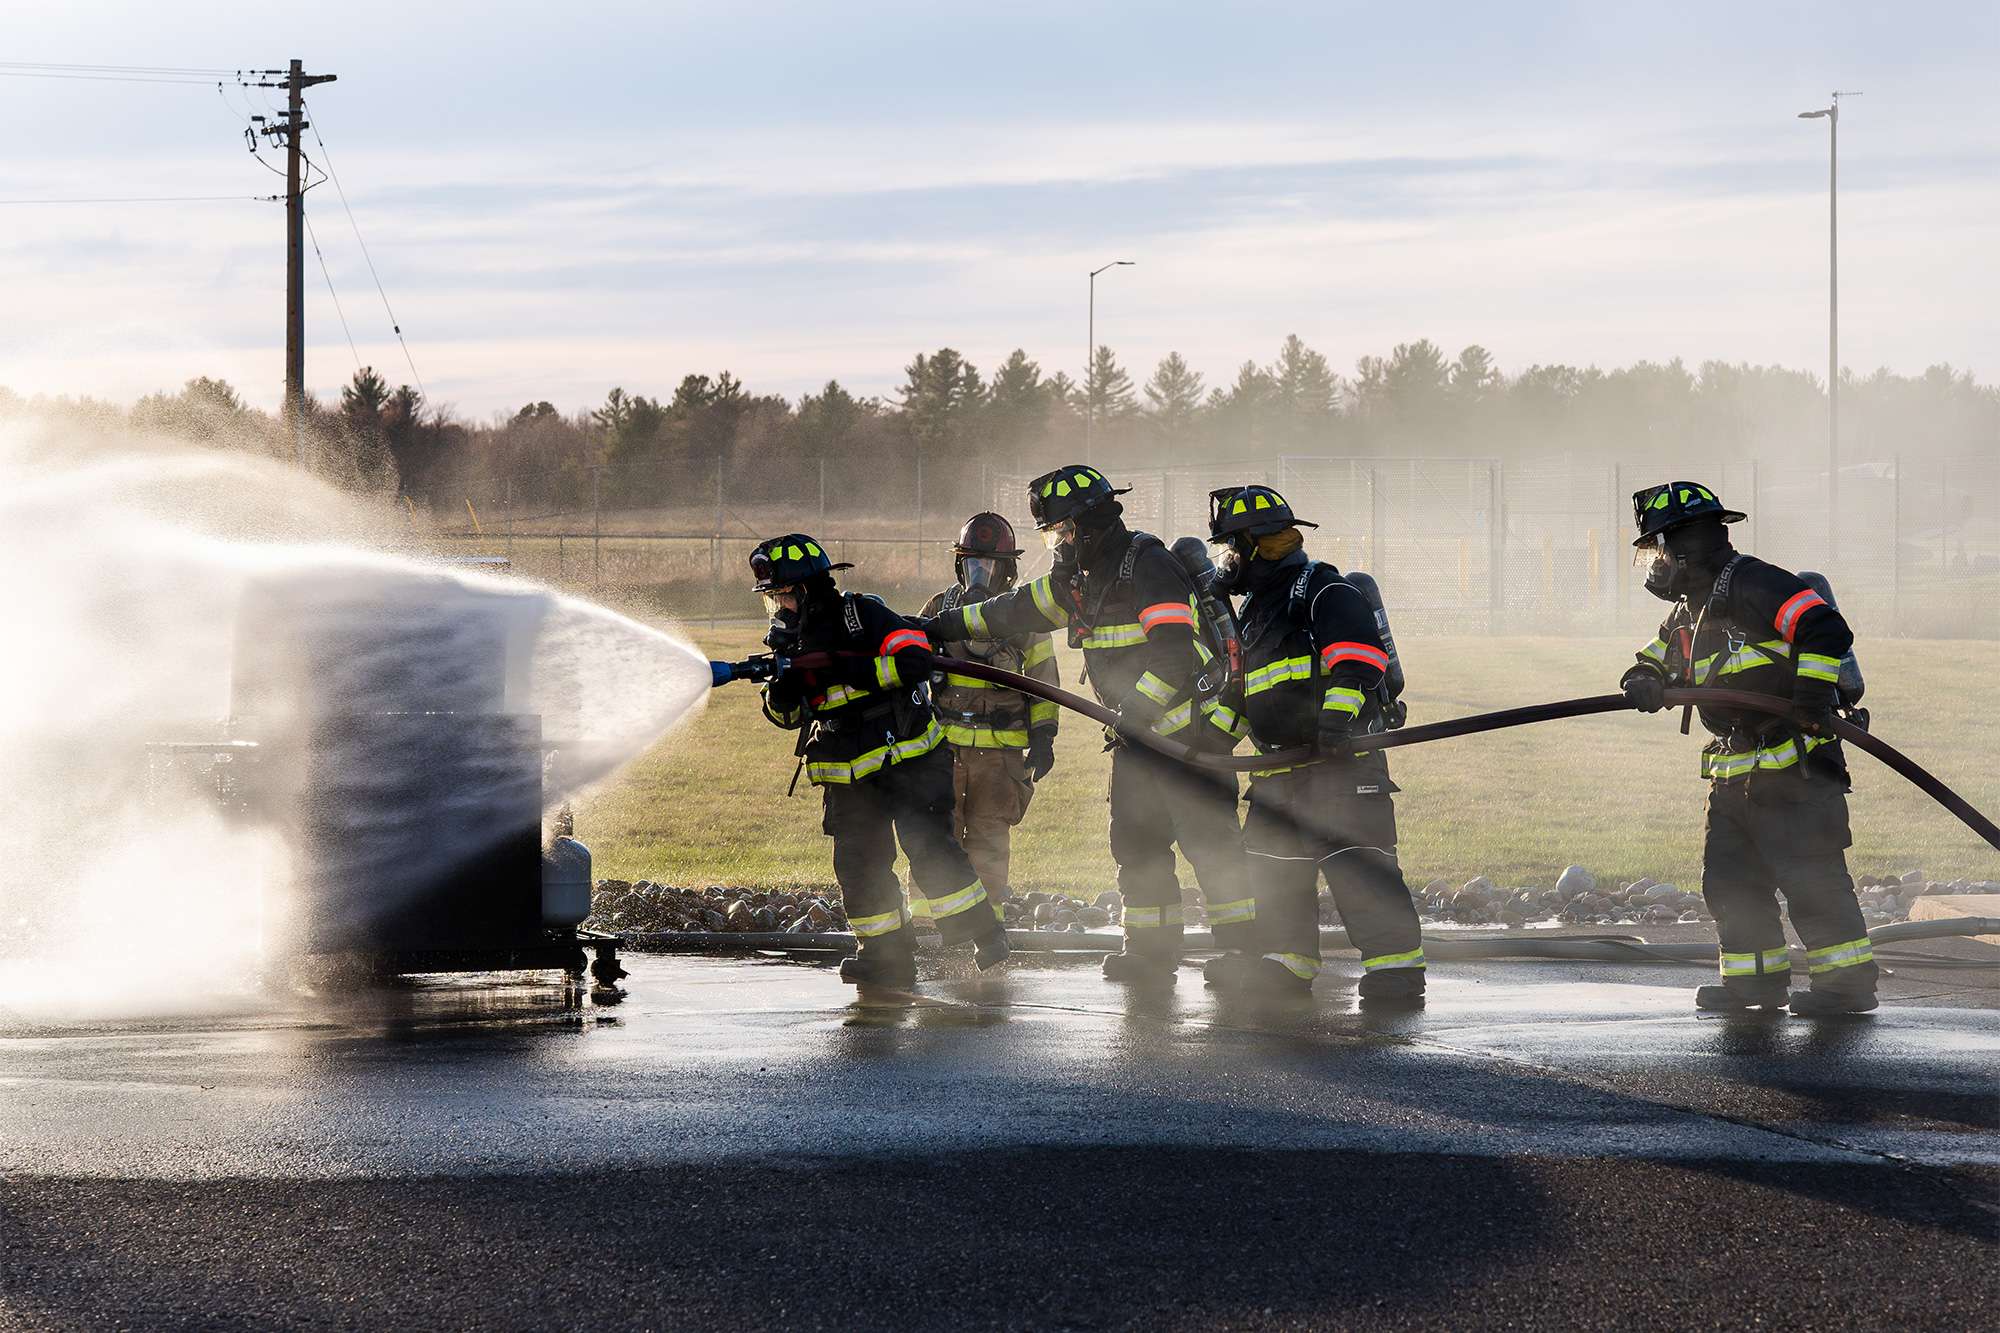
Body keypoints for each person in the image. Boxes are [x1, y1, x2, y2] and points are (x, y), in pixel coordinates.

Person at [914, 465, 1254, 984]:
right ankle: (1149, 953)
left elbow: (1173, 659)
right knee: (1137, 847)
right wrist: (933, 627)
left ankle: (1242, 956)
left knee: (1212, 849)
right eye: (1053, 535)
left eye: (1063, 532)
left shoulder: (1148, 565)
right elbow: (1007, 612)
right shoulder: (1080, 582)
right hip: (1136, 743)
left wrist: (1135, 717)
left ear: (1090, 524)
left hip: (1188, 742)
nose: (1059, 544)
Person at [1618, 482, 1877, 1015]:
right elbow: (1657, 655)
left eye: (1660, 548)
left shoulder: (1756, 583)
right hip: (1735, 777)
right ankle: (1753, 985)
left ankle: (1845, 988)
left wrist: (1808, 695)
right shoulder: (1691, 608)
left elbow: (1824, 628)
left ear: (1687, 544)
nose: (1657, 563)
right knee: (1730, 882)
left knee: (1811, 882)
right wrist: (1642, 677)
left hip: (1797, 772)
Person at [750, 533, 1010, 988]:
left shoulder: (863, 614)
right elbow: (785, 716)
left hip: (908, 756)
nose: (779, 608)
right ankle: (885, 955)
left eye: (783, 596)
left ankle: (984, 935)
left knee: (929, 849)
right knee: (859, 865)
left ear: (808, 591)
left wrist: (838, 666)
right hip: (849, 775)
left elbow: (914, 659)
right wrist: (785, 687)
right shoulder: (786, 642)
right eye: (772, 599)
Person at [1203, 484, 1427, 1005]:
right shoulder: (1259, 612)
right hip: (1278, 777)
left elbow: (1359, 660)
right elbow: (1243, 694)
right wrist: (1203, 744)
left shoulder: (1324, 590)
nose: (1226, 562)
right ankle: (1286, 964)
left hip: (1340, 770)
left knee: (1360, 871)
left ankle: (1395, 972)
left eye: (1230, 549)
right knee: (1273, 873)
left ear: (1259, 545)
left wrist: (1334, 725)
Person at [915, 512, 1061, 920]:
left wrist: (1045, 736)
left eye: (989, 564)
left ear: (1008, 571)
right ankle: (929, 926)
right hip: (944, 752)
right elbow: (909, 667)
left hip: (1000, 759)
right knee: (936, 837)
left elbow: (1045, 683)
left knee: (989, 843)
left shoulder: (1026, 617)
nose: (980, 572)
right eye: (971, 563)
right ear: (959, 565)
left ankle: (985, 928)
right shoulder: (939, 610)